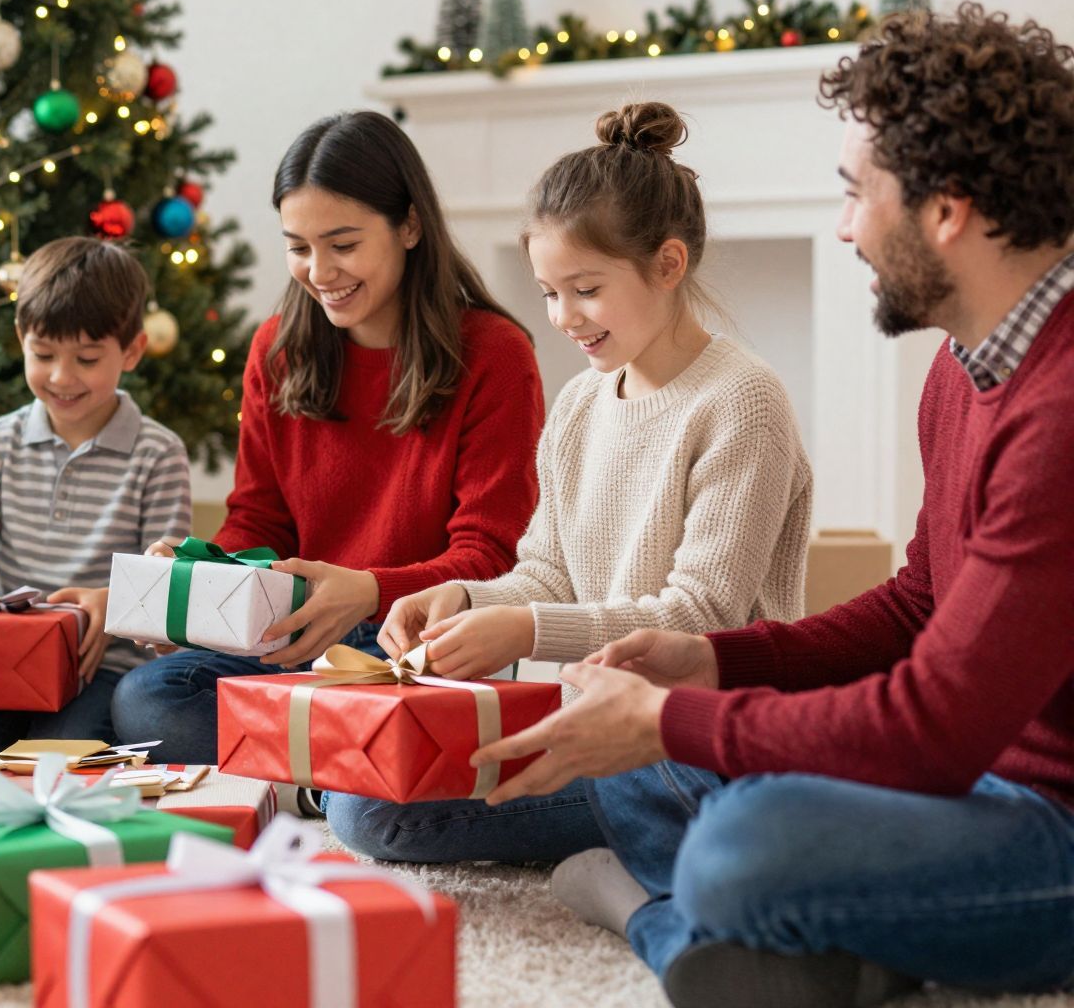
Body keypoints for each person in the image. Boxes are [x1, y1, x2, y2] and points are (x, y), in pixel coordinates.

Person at [474, 5, 1074, 1008]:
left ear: (945, 211)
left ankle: (647, 915)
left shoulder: (1057, 409)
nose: (843, 225)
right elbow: (913, 607)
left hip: (1047, 825)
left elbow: (931, 729)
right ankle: (840, 957)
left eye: (853, 194)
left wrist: (675, 720)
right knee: (633, 752)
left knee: (734, 851)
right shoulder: (962, 368)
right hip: (968, 789)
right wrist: (708, 662)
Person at [327, 102, 814, 864]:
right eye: (550, 293)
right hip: (592, 717)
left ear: (668, 265)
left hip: (695, 739)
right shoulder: (585, 400)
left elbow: (701, 617)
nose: (561, 317)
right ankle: (632, 857)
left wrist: (523, 632)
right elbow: (549, 573)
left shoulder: (742, 402)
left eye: (584, 289)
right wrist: (465, 600)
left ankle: (655, 850)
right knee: (368, 774)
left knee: (374, 815)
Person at [111, 109, 545, 770]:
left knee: (387, 717)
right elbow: (260, 519)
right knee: (147, 699)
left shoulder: (494, 354)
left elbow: (494, 559)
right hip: (297, 628)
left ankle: (311, 767)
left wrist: (369, 591)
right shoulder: (277, 349)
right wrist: (201, 582)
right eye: (298, 246)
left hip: (416, 638)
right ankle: (339, 777)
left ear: (409, 227)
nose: (318, 272)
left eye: (343, 245)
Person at [0, 236, 192, 750]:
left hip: (103, 670)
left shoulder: (157, 453)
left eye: (87, 359)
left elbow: (166, 591)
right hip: (6, 659)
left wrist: (112, 604)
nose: (61, 377)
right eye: (43, 354)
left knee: (54, 757)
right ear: (21, 337)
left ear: (132, 350)